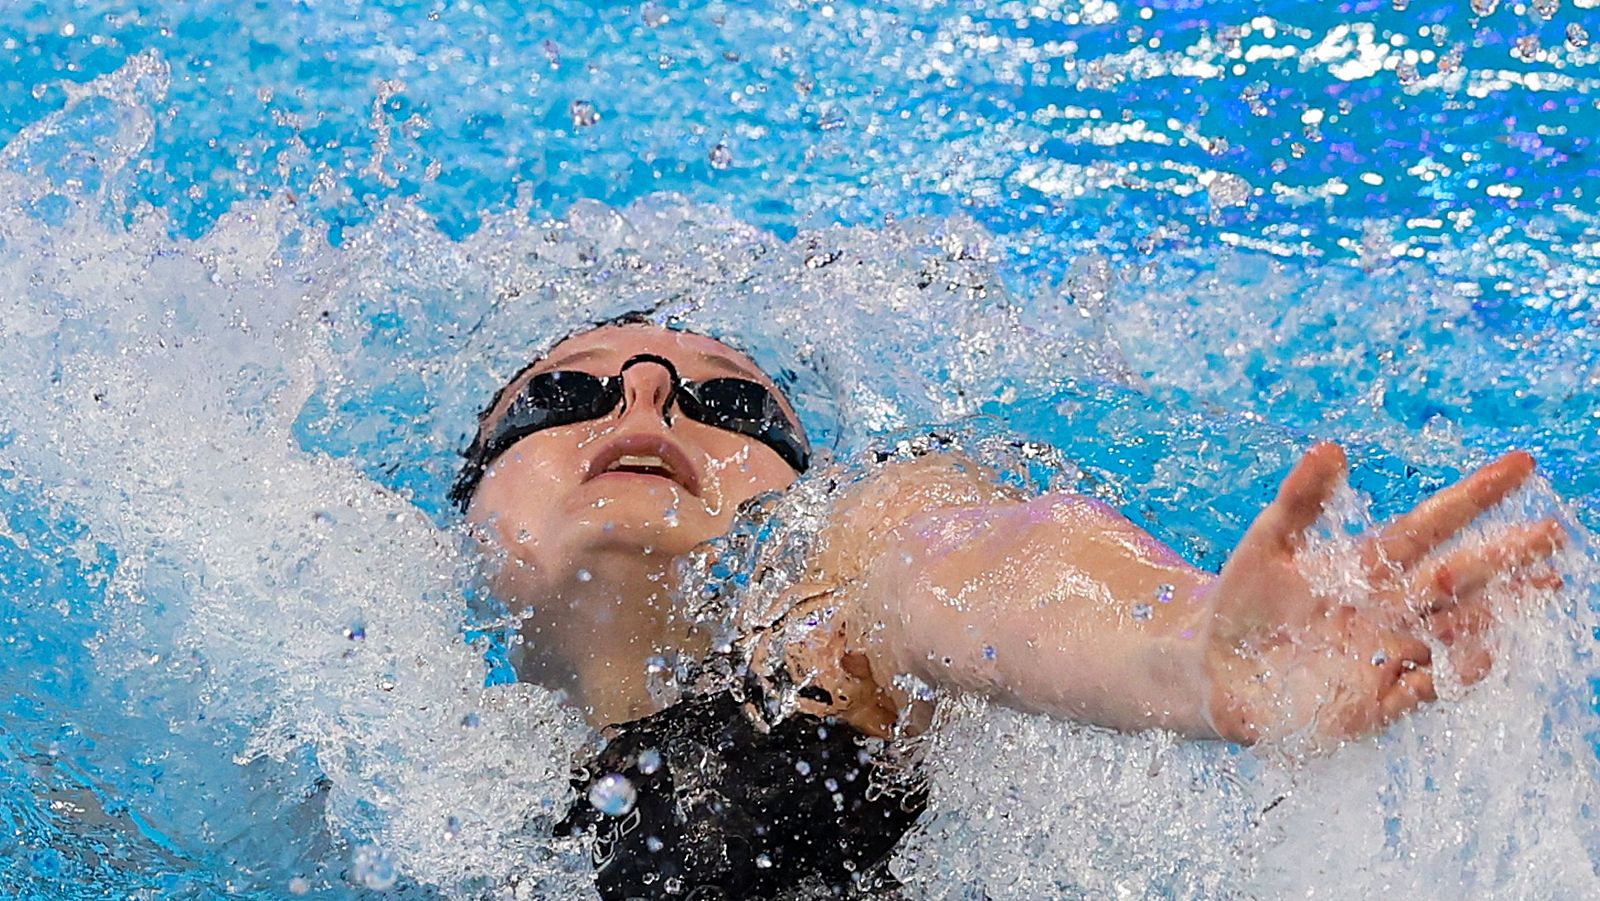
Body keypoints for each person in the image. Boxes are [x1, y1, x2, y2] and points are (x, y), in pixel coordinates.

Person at [451, 316, 1566, 899]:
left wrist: (1186, 647)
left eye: (728, 402)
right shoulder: (376, 752)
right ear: (466, 513)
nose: (646, 399)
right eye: (564, 394)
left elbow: (981, 563)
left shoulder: (836, 590)